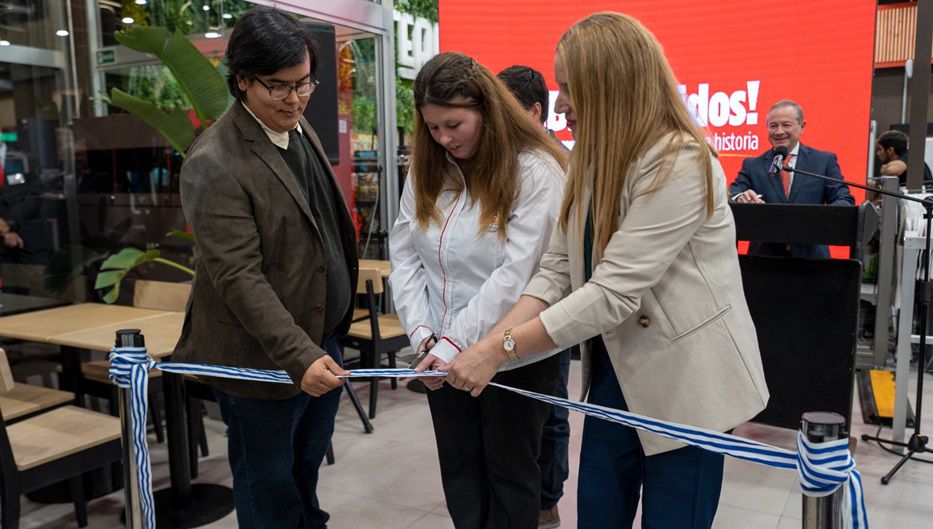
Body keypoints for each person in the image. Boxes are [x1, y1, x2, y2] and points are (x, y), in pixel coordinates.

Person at [445, 12, 770, 529]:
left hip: (688, 387)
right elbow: (556, 270)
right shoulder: (592, 161)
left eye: (571, 88)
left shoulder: (681, 161)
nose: (562, 104)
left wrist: (497, 350)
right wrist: (491, 340)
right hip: (619, 374)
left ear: (613, 84)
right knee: (598, 511)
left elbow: (613, 292)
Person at [173, 7, 358, 528]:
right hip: (262, 360)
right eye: (279, 87)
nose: (296, 99)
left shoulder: (299, 131)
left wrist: (323, 341)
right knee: (267, 487)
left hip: (320, 343)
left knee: (304, 475)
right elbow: (238, 276)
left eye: (305, 83)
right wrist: (300, 354)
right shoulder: (215, 161)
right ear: (242, 81)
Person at [389, 52, 567, 529]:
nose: (443, 138)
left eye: (454, 124)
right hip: (438, 353)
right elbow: (405, 255)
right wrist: (424, 335)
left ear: (487, 109)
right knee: (461, 470)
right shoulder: (430, 168)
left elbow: (518, 274)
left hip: (513, 353)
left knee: (510, 475)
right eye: (432, 127)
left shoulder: (535, 170)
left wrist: (453, 344)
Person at [497, 63, 571, 529]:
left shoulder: (561, 162)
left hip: (552, 309)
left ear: (536, 111)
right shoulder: (496, 161)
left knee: (553, 409)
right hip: (505, 307)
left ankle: (547, 499)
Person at [728, 99, 854, 258]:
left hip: (812, 260)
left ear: (802, 126)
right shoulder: (753, 165)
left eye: (786, 125)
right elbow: (734, 191)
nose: (779, 131)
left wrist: (819, 219)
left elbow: (843, 199)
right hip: (764, 260)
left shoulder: (823, 161)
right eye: (773, 126)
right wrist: (741, 197)